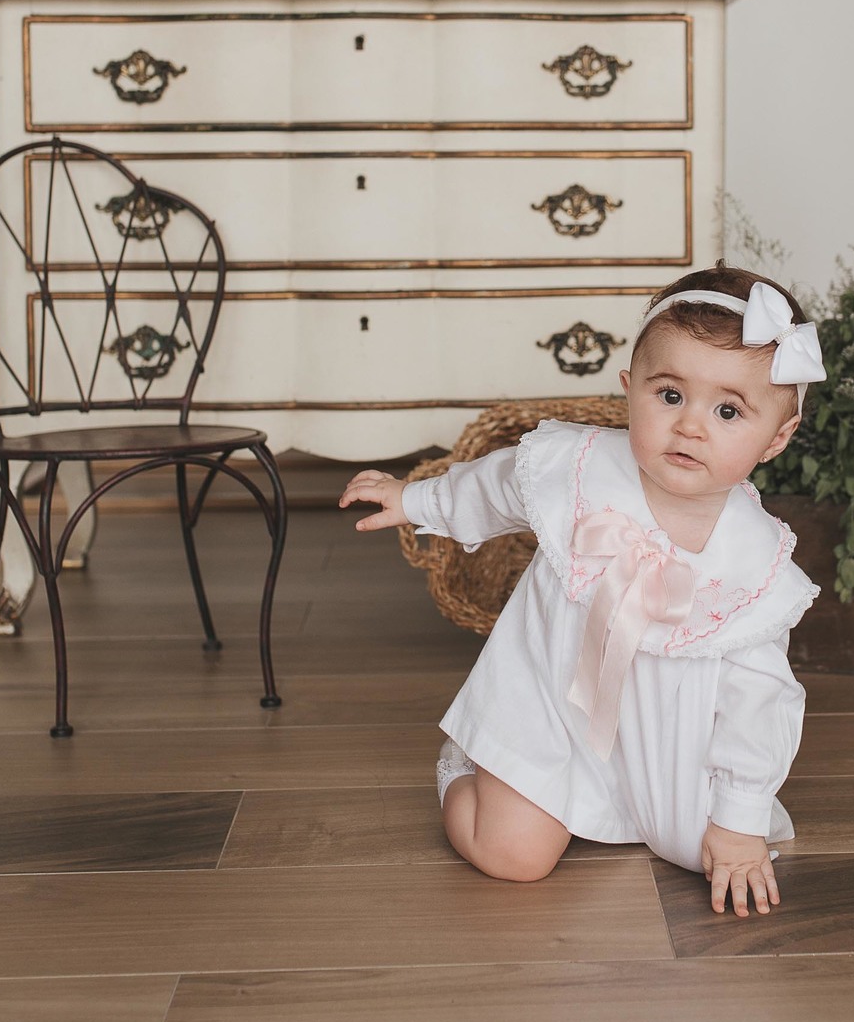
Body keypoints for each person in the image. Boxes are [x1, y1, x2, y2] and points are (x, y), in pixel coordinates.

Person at [340, 262, 826, 918]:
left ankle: (646, 806)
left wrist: (738, 818)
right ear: (629, 391)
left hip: (664, 740)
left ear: (778, 437)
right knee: (515, 856)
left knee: (717, 846)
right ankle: (470, 771)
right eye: (670, 395)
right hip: (549, 705)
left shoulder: (753, 562)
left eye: (729, 410)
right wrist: (416, 498)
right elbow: (495, 486)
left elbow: (761, 699)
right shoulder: (579, 467)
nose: (691, 426)